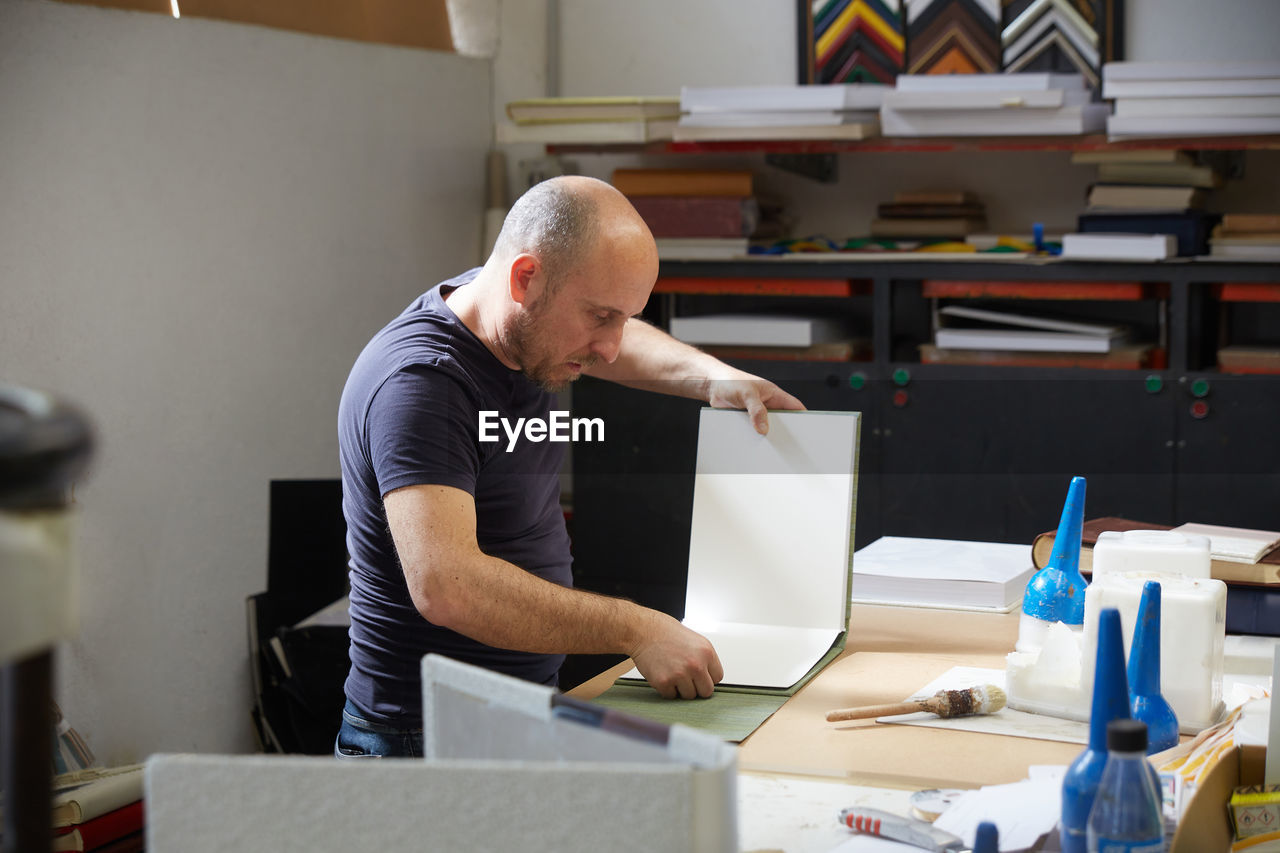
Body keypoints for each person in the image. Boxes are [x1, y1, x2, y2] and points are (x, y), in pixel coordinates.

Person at [335, 175, 805, 757]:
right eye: (600, 316)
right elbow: (447, 587)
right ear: (525, 277)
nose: (609, 346)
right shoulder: (422, 385)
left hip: (516, 710)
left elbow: (618, 344)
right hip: (425, 740)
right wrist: (637, 628)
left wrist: (715, 380)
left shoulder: (509, 320)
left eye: (624, 318)